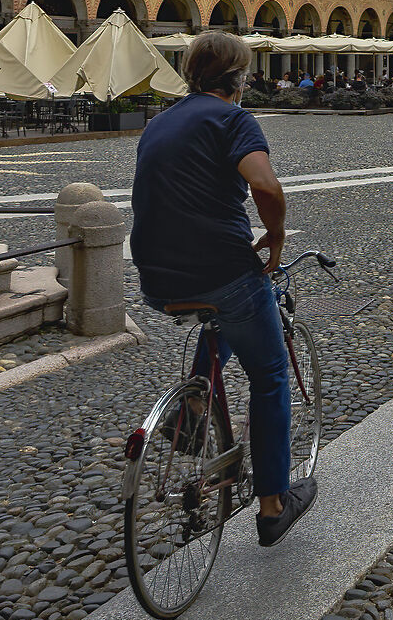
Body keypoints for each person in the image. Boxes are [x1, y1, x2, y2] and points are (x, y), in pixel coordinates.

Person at [131, 31, 315, 545]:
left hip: (155, 277)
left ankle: (192, 409)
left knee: (228, 312)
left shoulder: (158, 123)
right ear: (239, 79)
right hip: (221, 267)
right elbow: (264, 185)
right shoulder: (233, 119)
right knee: (271, 372)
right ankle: (274, 505)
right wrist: (274, 237)